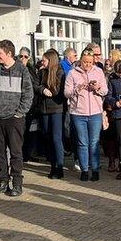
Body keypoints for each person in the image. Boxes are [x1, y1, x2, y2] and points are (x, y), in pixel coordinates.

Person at [0, 39, 33, 197]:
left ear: (9, 54)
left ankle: (17, 183)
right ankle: (2, 182)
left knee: (15, 152)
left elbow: (28, 94)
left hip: (14, 118)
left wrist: (20, 112)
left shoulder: (21, 70)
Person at [65, 49, 108, 181]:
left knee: (94, 142)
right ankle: (84, 170)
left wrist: (97, 88)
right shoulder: (72, 73)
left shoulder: (99, 71)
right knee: (82, 142)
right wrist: (78, 89)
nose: (87, 65)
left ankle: (95, 169)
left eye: (89, 62)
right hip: (78, 113)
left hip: (95, 112)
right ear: (80, 61)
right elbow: (66, 93)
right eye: (85, 62)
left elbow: (105, 90)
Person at [39, 49, 67, 179]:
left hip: (56, 108)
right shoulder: (41, 72)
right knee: (46, 136)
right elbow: (36, 86)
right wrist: (42, 89)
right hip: (44, 109)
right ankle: (52, 165)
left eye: (44, 60)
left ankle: (59, 167)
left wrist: (48, 86)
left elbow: (57, 92)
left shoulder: (60, 72)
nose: (42, 62)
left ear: (50, 61)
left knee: (56, 138)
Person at [18, 47, 42, 163]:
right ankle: (21, 155)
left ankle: (27, 154)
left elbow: (35, 85)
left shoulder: (31, 69)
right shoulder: (16, 69)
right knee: (21, 132)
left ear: (29, 58)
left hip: (32, 105)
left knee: (30, 132)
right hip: (20, 105)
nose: (23, 58)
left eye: (25, 56)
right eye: (21, 56)